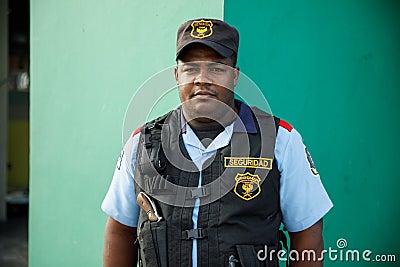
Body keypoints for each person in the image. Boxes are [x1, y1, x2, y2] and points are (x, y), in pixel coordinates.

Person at [102, 18, 333, 267]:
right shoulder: (143, 143)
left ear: (235, 76)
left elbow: (307, 235)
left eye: (216, 68)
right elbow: (120, 231)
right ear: (177, 75)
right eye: (191, 68)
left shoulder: (279, 140)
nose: (202, 79)